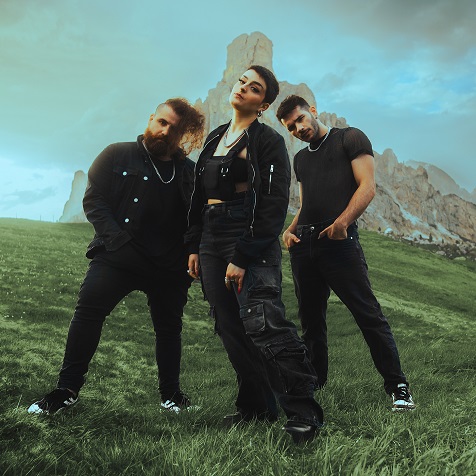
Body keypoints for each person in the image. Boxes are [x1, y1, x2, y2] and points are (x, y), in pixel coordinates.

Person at [28, 98, 205, 415]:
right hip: (119, 256)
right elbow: (95, 201)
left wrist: (192, 251)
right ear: (151, 119)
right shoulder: (116, 154)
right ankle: (66, 390)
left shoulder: (190, 172)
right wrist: (118, 243)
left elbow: (197, 218)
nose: (165, 131)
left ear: (183, 135)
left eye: (174, 129)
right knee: (88, 312)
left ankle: (171, 396)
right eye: (161, 122)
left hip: (169, 265)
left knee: (169, 329)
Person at [185, 66, 324, 443]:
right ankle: (257, 406)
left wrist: (243, 254)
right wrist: (194, 244)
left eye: (255, 88)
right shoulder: (215, 137)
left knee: (263, 321)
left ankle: (303, 413)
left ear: (263, 104)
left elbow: (274, 204)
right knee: (228, 324)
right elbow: (199, 195)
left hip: (246, 232)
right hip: (210, 236)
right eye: (242, 81)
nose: (244, 88)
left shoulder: (268, 141)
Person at [276, 95, 415, 411]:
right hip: (304, 245)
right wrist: (289, 229)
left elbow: (367, 186)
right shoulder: (301, 159)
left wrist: (342, 223)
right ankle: (316, 383)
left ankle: (398, 387)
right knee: (311, 321)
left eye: (300, 119)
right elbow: (307, 203)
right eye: (291, 127)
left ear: (312, 111)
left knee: (368, 314)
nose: (298, 128)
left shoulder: (349, 138)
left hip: (339, 242)